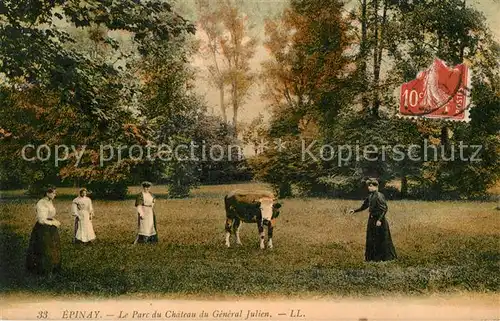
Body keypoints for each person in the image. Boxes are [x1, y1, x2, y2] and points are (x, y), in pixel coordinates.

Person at [349, 179, 397, 262]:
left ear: (376, 186)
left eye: (371, 186)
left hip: (379, 221)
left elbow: (384, 209)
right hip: (371, 219)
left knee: (381, 239)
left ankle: (384, 258)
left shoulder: (379, 196)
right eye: (368, 186)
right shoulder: (370, 196)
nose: (369, 188)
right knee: (371, 238)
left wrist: (379, 220)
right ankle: (372, 258)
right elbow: (364, 206)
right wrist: (355, 210)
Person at [26, 186, 62, 275]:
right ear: (47, 193)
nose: (55, 195)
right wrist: (53, 223)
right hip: (43, 229)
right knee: (44, 248)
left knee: (53, 247)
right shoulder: (41, 203)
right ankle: (42, 269)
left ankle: (53, 267)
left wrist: (54, 221)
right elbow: (41, 220)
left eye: (55, 193)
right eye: (53, 193)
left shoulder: (50, 202)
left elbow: (50, 215)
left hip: (51, 228)